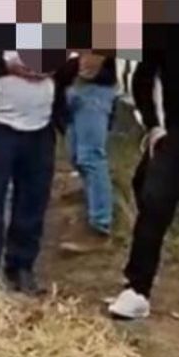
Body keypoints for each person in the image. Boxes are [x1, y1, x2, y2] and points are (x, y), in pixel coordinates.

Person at [108, 35, 179, 325]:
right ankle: (137, 290)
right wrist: (154, 126)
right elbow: (143, 78)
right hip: (177, 134)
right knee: (154, 203)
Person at [0, 44, 76, 294]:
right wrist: (6, 67)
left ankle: (21, 267)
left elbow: (73, 65)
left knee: (32, 205)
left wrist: (51, 67)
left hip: (40, 131)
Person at [60, 48, 119, 250]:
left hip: (95, 89)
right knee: (77, 156)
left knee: (91, 157)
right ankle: (92, 207)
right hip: (75, 85)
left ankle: (100, 226)